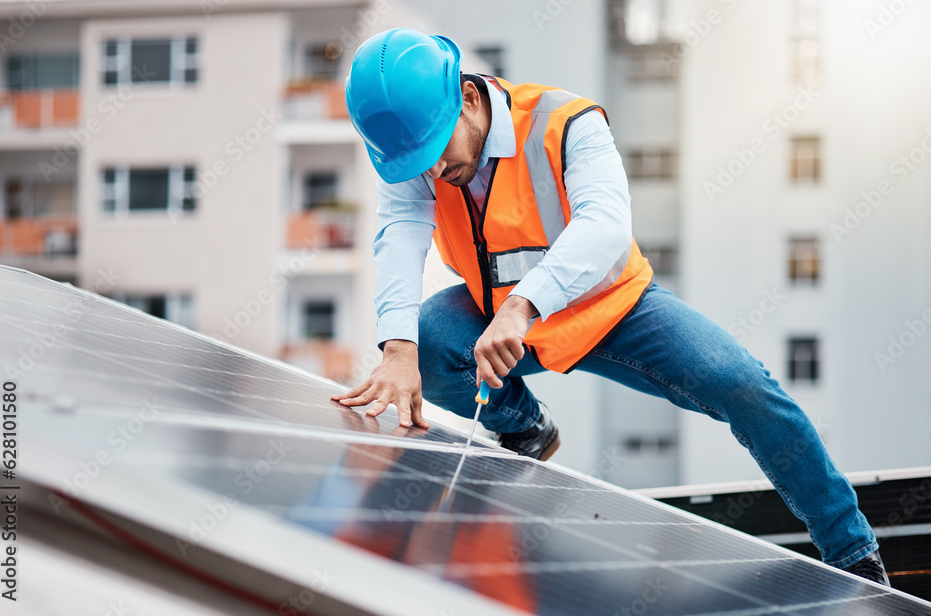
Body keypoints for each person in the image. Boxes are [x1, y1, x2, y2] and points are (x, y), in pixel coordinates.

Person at [333, 27, 890, 586]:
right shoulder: (413, 151)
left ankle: (850, 550)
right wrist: (397, 348)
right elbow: (401, 232)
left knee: (745, 388)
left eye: (435, 155)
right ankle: (525, 426)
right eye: (416, 165)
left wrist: (524, 306)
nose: (431, 173)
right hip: (497, 315)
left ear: (470, 99)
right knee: (428, 341)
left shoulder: (566, 121)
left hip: (615, 311)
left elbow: (604, 228)